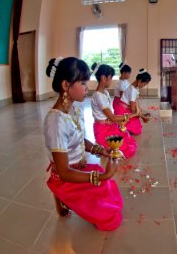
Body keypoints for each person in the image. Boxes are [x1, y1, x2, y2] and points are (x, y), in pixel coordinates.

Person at [43, 57, 123, 231]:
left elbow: (79, 140)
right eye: (83, 83)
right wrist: (101, 177)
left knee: (108, 193)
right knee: (109, 218)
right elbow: (64, 172)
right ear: (66, 85)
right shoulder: (56, 121)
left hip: (79, 168)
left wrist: (103, 151)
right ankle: (61, 194)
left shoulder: (73, 109)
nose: (87, 88)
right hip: (66, 178)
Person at [91, 63, 138, 158]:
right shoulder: (98, 96)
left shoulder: (105, 92)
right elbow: (112, 117)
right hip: (102, 130)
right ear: (104, 78)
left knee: (128, 139)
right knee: (125, 147)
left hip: (109, 125)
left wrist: (119, 122)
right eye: (111, 77)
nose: (111, 80)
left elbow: (111, 116)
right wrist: (133, 115)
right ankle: (103, 145)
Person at [114, 68, 152, 135]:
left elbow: (135, 103)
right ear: (140, 81)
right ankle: (122, 125)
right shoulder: (133, 90)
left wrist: (141, 113)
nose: (144, 86)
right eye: (144, 84)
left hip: (125, 108)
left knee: (138, 125)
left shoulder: (134, 87)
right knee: (137, 130)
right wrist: (142, 116)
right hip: (122, 111)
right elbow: (133, 109)